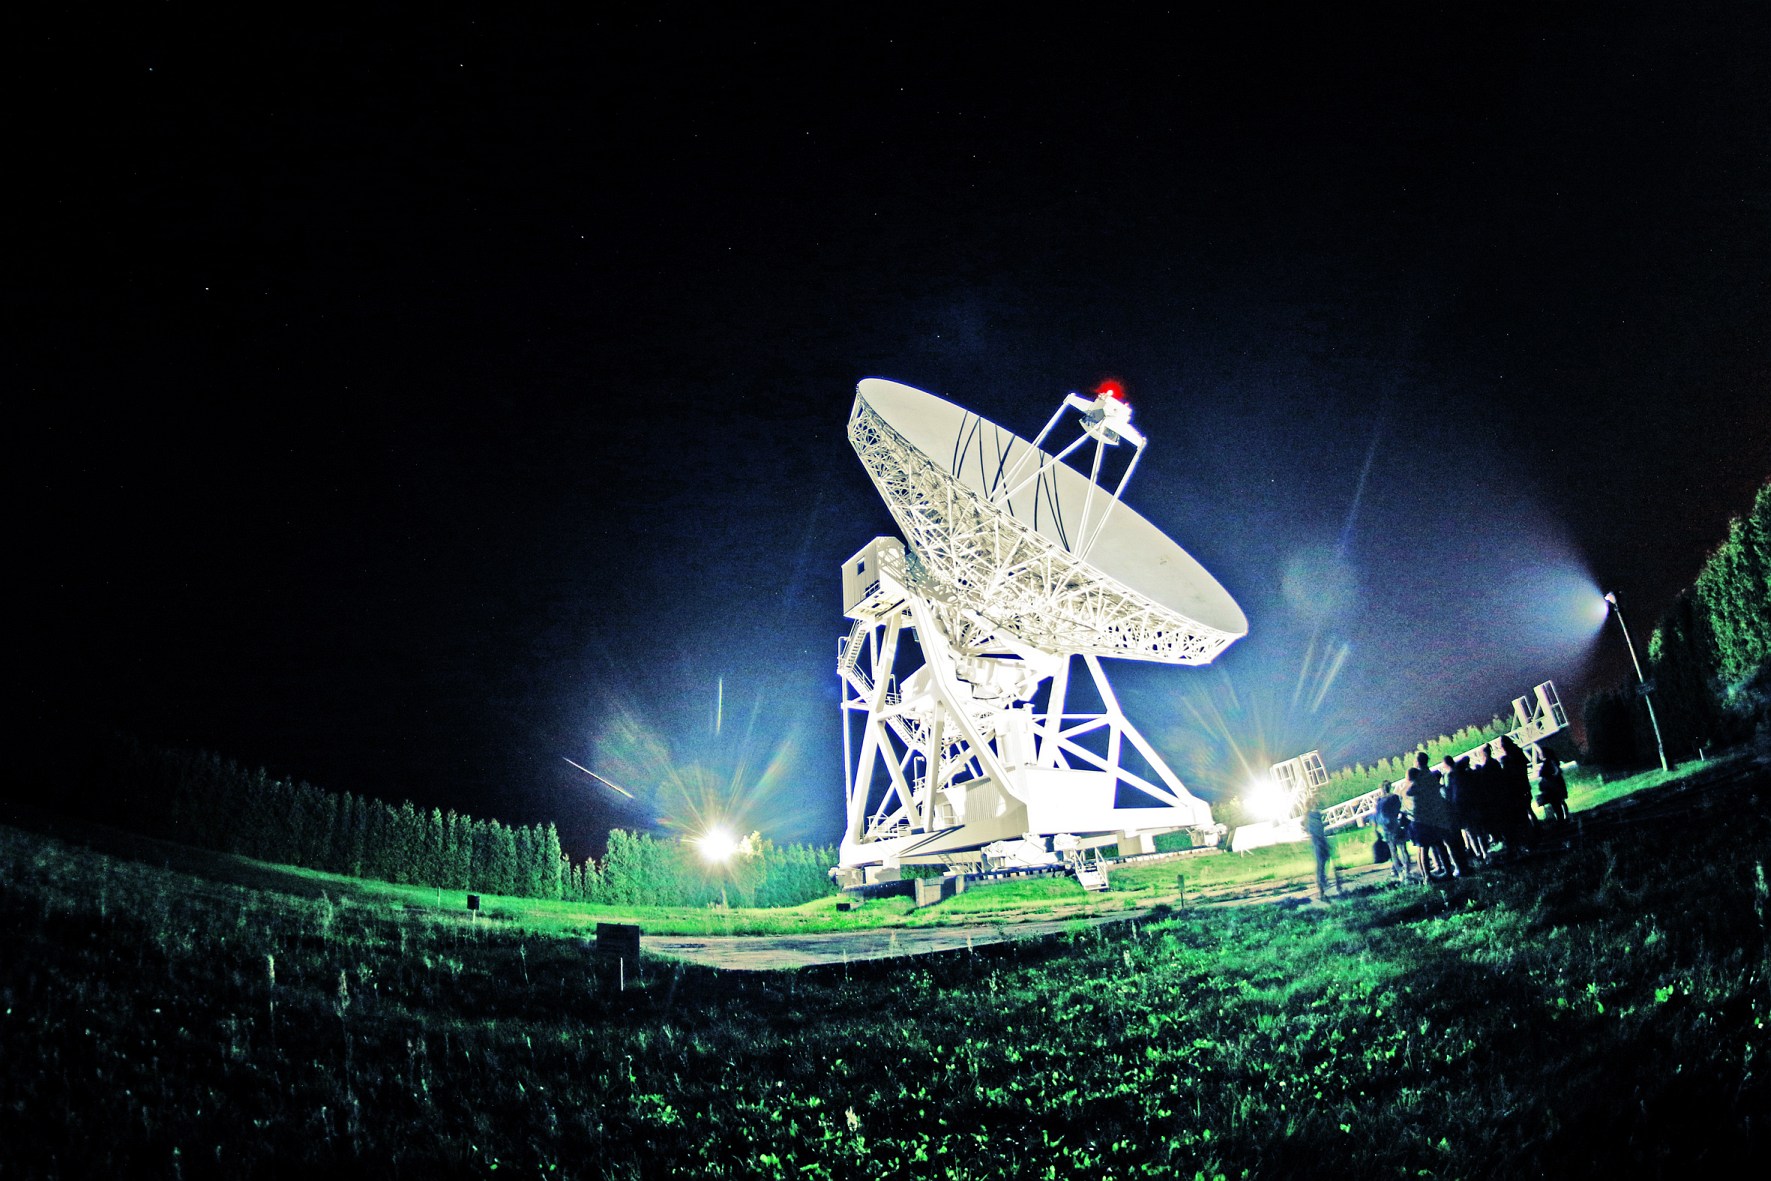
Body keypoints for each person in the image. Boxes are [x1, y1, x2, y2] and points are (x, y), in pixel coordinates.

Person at [1406, 751, 1466, 878]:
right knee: (1446, 842)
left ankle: (1454, 869)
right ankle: (1455, 868)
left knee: (1441, 844)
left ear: (1417, 762)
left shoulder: (1421, 777)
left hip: (1431, 817)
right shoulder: (1432, 774)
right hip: (1440, 811)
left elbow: (1409, 792)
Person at [1374, 782, 1418, 883]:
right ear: (1390, 787)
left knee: (1393, 851)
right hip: (1395, 825)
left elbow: (1376, 815)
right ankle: (1407, 871)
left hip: (1385, 828)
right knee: (1403, 848)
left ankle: (1399, 873)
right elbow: (1400, 809)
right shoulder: (1394, 797)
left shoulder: (1379, 800)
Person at [1305, 807, 1333, 901]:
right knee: (1321, 864)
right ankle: (1321, 886)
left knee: (1322, 864)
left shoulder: (1310, 818)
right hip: (1319, 844)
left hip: (1318, 843)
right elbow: (1318, 833)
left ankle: (1322, 884)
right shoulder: (1313, 818)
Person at [1536, 757, 1570, 823]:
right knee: (1559, 804)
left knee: (1558, 806)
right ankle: (1562, 818)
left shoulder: (1548, 764)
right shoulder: (1550, 764)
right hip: (1554, 790)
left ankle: (1561, 819)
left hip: (1553, 792)